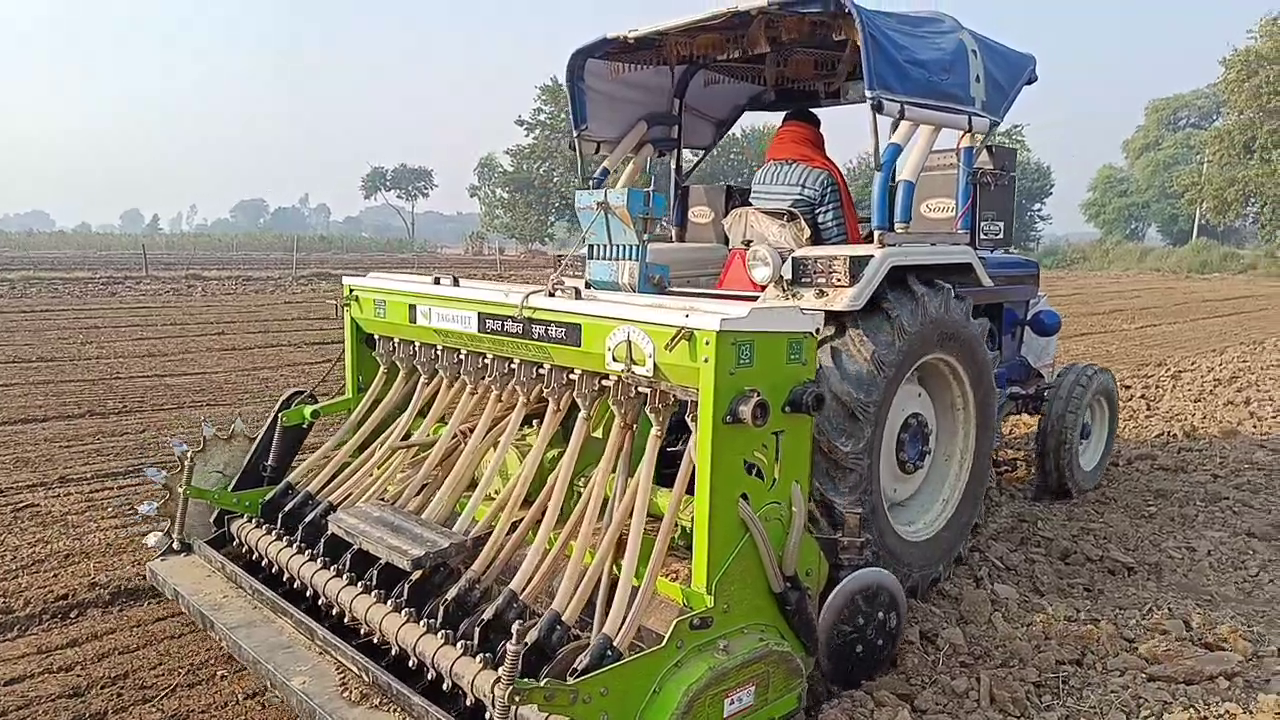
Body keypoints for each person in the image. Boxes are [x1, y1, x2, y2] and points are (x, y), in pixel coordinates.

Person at [748, 108, 863, 244]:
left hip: (760, 259)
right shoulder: (821, 179)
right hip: (803, 262)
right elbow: (835, 242)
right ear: (814, 137)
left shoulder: (759, 176)